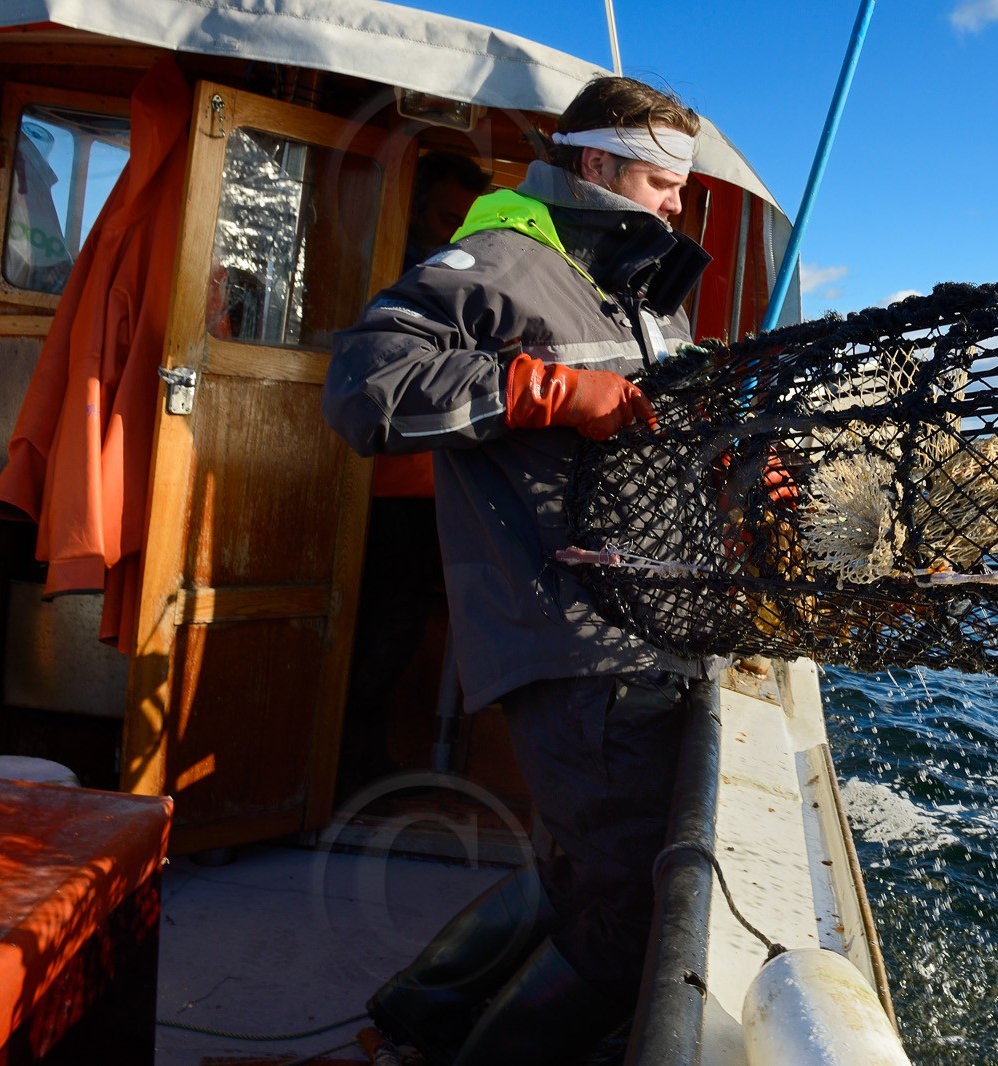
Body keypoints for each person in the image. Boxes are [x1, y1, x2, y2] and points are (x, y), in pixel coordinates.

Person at [322, 77, 714, 1065]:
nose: (677, 204)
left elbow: (649, 437)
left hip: (638, 628)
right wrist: (540, 388)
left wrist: (737, 461)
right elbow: (364, 383)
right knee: (631, 924)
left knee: (570, 867)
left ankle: (407, 1026)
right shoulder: (502, 263)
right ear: (597, 164)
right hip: (575, 641)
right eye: (664, 181)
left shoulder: (632, 290)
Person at [337, 152, 491, 797]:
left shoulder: (467, 278)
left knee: (401, 625)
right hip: (384, 490)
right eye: (442, 216)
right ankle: (348, 764)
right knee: (384, 623)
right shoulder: (393, 278)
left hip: (435, 489)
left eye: (463, 223)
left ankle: (362, 760)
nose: (451, 233)